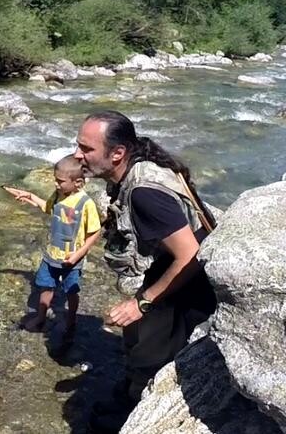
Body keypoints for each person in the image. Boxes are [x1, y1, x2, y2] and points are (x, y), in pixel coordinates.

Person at [73, 110, 217, 433]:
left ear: (118, 153)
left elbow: (191, 254)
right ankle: (128, 392)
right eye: (77, 145)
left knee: (150, 360)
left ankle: (134, 412)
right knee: (135, 343)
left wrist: (143, 302)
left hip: (183, 292)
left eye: (86, 149)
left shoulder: (143, 193)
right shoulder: (136, 168)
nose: (76, 155)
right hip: (164, 274)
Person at [3, 156, 102, 345]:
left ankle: (71, 320)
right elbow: (47, 207)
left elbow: (95, 232)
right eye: (55, 180)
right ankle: (41, 317)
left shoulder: (85, 203)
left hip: (72, 259)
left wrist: (78, 255)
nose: (56, 184)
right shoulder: (57, 196)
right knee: (45, 286)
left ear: (78, 182)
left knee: (71, 291)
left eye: (60, 181)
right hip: (52, 255)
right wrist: (30, 196)